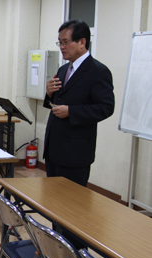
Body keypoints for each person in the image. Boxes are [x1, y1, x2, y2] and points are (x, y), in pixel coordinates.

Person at [44, 20, 115, 187]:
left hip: (75, 151)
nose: (62, 47)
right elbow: (56, 103)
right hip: (54, 147)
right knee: (52, 201)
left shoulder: (98, 71)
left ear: (82, 42)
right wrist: (48, 94)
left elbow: (106, 108)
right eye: (60, 42)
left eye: (66, 42)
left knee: (70, 206)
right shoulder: (63, 70)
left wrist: (71, 111)